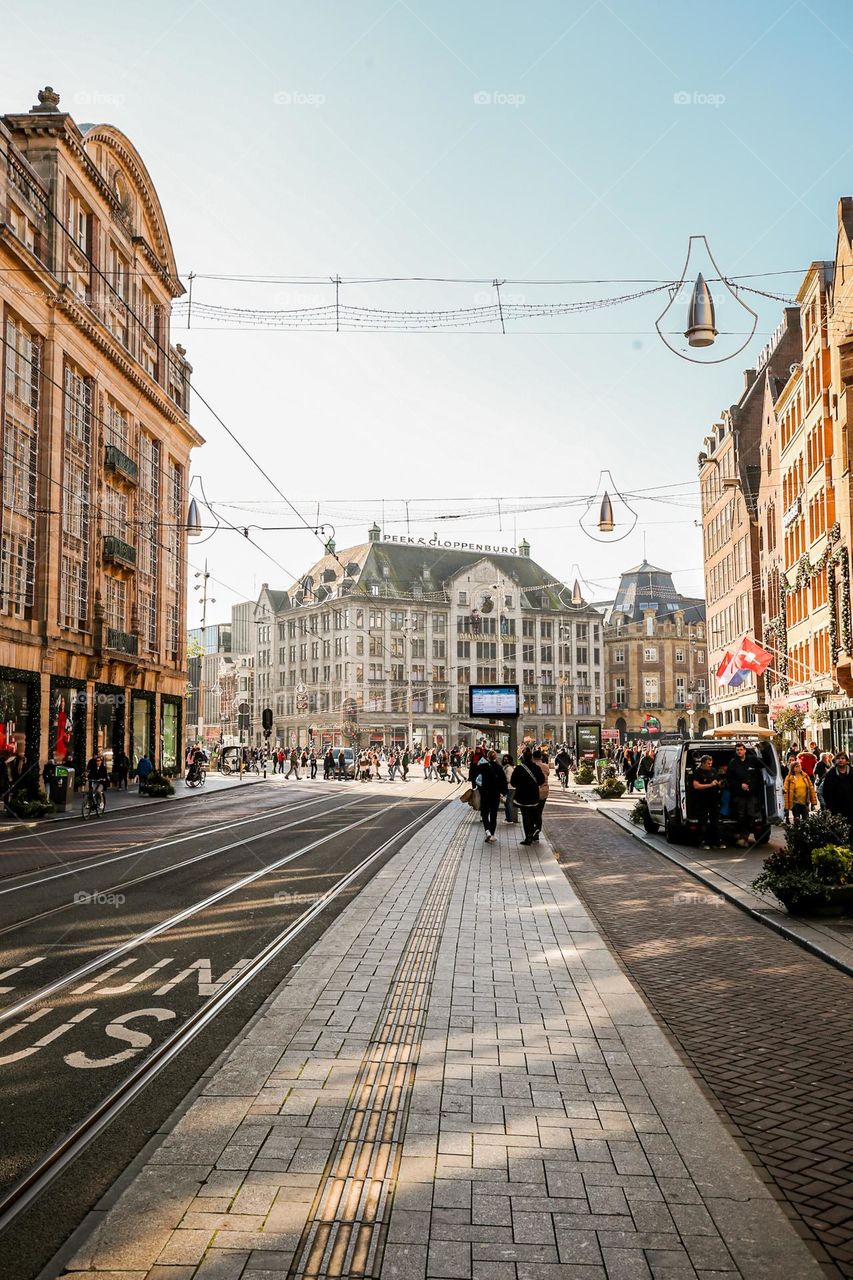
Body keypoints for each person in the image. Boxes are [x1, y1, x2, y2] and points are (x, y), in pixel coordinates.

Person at [726, 742, 762, 848]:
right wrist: (740, 785)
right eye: (737, 750)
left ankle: (744, 836)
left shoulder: (752, 759)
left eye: (741, 749)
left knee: (751, 815)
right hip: (739, 794)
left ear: (745, 750)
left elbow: (764, 765)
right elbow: (729, 779)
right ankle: (743, 837)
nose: (739, 752)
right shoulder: (733, 763)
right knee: (741, 816)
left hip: (751, 793)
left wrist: (763, 749)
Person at [510, 749, 546, 846]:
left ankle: (528, 837)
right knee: (534, 814)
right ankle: (535, 830)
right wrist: (534, 785)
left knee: (525, 816)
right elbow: (542, 780)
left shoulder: (518, 768)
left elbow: (513, 782)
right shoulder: (536, 768)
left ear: (522, 758)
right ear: (531, 758)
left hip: (522, 796)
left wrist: (520, 785)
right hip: (534, 795)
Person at [691, 755, 725, 850]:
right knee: (703, 822)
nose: (710, 765)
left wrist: (720, 784)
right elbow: (696, 786)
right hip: (702, 800)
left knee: (716, 821)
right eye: (708, 763)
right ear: (702, 763)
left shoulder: (713, 771)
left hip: (713, 799)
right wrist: (710, 785)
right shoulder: (697, 772)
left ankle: (716, 841)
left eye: (711, 763)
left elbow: (718, 781)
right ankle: (702, 841)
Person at [474, 748, 508, 842]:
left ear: (487, 757)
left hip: (485, 793)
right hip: (495, 794)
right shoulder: (499, 767)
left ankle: (487, 830)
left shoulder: (483, 766)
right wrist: (503, 793)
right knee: (493, 815)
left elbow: (474, 771)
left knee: (485, 813)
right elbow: (503, 781)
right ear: (495, 757)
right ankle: (492, 834)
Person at [821, 752, 853, 825]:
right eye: (838, 758)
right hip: (836, 808)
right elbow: (826, 792)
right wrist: (830, 807)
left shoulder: (851, 772)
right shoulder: (830, 774)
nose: (840, 760)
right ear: (835, 761)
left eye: (842, 758)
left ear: (847, 761)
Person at [784, 760, 817, 826]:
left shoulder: (805, 776)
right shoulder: (789, 778)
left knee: (806, 820)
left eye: (799, 766)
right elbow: (786, 792)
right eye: (797, 766)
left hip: (805, 802)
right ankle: (797, 832)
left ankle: (804, 834)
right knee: (797, 819)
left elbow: (811, 789)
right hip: (795, 802)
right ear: (793, 768)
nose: (799, 767)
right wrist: (786, 806)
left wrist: (813, 801)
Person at [532, 748, 550, 839]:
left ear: (533, 757)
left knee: (532, 812)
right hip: (544, 792)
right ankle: (537, 831)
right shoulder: (546, 766)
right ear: (541, 756)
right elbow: (548, 774)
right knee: (539, 812)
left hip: (533, 792)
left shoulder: (531, 766)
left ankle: (534, 830)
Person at [502, 752, 517, 823]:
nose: (505, 761)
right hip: (509, 787)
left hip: (510, 788)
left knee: (508, 803)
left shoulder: (509, 769)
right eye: (504, 759)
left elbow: (508, 779)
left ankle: (510, 819)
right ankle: (508, 818)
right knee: (507, 803)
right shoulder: (507, 767)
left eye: (506, 759)